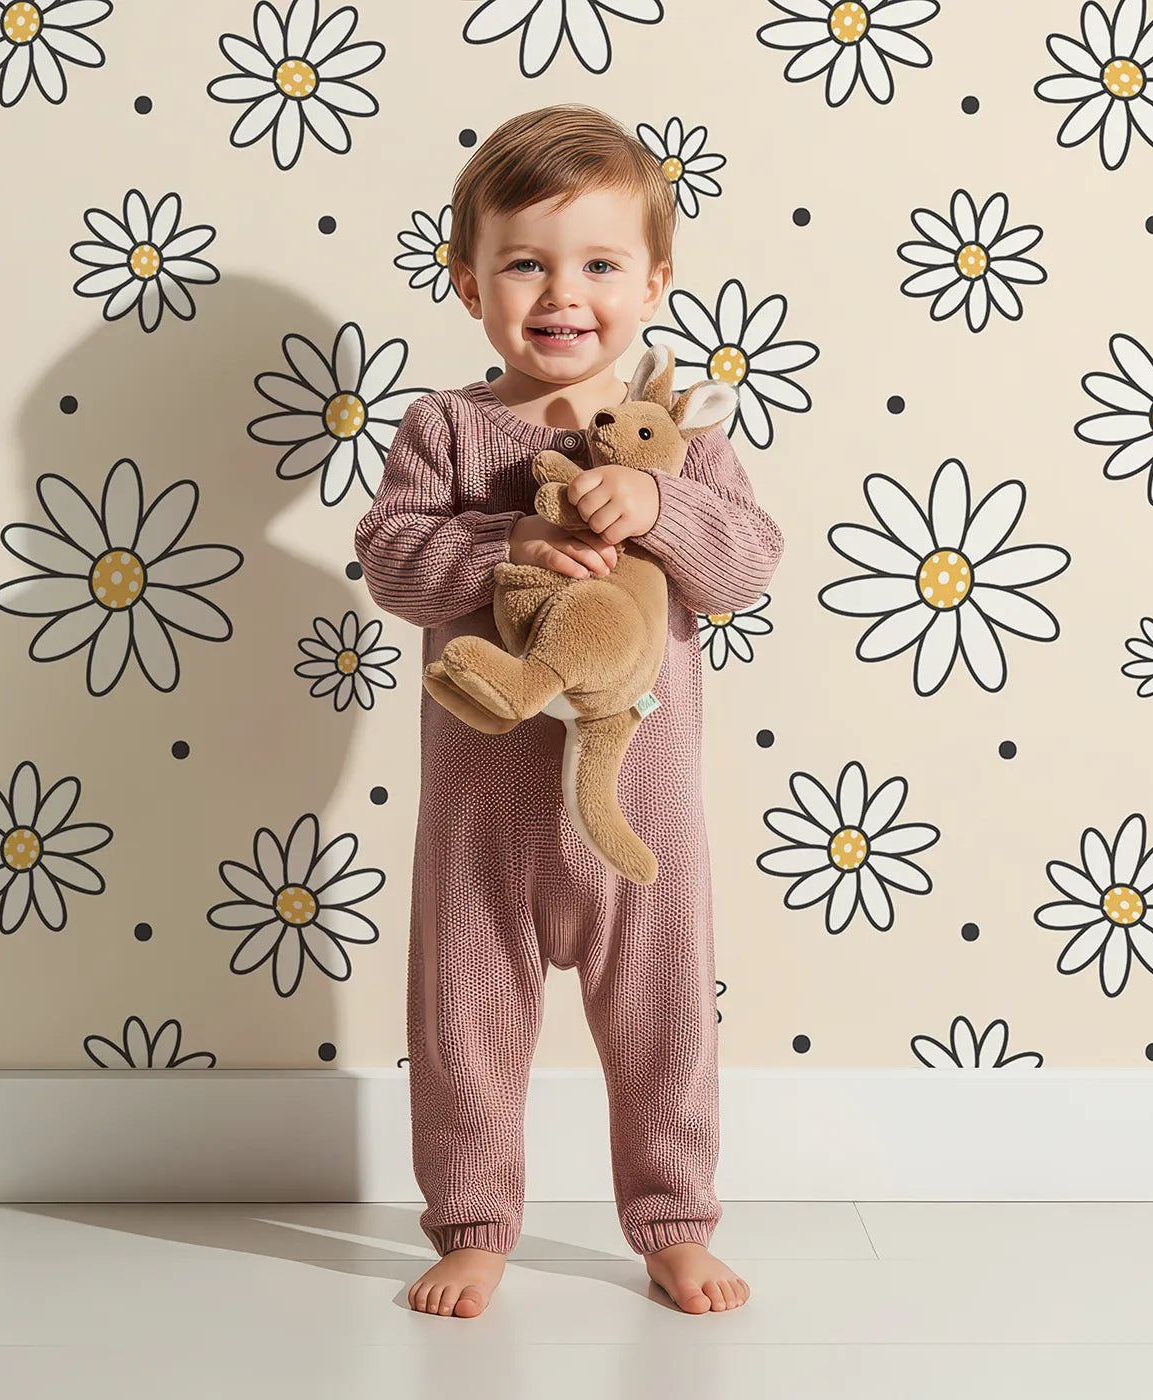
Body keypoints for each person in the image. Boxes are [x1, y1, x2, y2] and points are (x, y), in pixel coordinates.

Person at [353, 103, 784, 1319]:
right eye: (524, 264)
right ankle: (473, 1223)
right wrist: (509, 540)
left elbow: (745, 565)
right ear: (468, 281)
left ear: (653, 280)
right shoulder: (445, 428)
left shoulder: (680, 443)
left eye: (598, 264)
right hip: (480, 812)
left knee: (662, 1024)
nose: (562, 293)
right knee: (465, 1025)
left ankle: (672, 1220)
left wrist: (654, 510)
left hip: (639, 813)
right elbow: (392, 562)